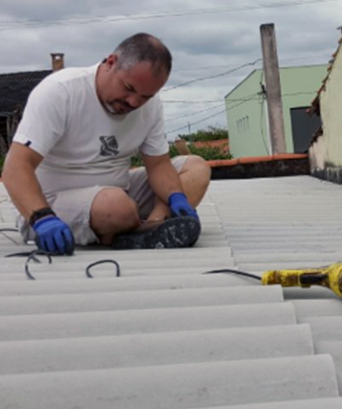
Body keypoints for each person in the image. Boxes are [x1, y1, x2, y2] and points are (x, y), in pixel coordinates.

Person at [2, 33, 211, 255]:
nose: (134, 102)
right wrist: (41, 217)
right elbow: (16, 167)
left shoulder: (149, 106)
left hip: (120, 195)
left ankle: (152, 226)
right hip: (50, 205)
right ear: (110, 62)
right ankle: (132, 226)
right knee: (116, 206)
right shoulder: (61, 91)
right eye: (129, 88)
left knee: (197, 168)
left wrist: (175, 197)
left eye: (145, 97)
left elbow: (158, 165)